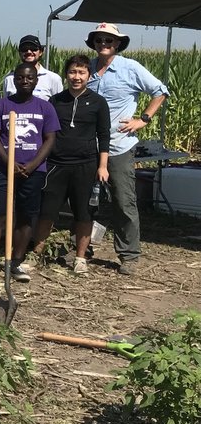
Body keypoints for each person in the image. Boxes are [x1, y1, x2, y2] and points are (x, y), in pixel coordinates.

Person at [85, 23, 168, 276]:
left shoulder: (130, 68)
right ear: (94, 43)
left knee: (123, 201)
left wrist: (143, 120)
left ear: (118, 44)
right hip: (89, 146)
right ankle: (82, 248)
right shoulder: (87, 68)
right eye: (99, 40)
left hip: (119, 146)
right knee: (85, 200)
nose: (104, 44)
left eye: (109, 40)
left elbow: (160, 91)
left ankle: (129, 255)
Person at [0, 62, 60, 284]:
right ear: (14, 80)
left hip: (33, 171)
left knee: (26, 217)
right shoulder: (1, 105)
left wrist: (32, 165)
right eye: (20, 77)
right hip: (4, 170)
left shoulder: (45, 107)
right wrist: (9, 162)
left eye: (29, 78)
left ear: (36, 81)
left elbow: (50, 139)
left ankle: (16, 263)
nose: (24, 81)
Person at [31, 54, 110, 274]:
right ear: (66, 75)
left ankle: (80, 258)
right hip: (56, 164)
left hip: (86, 164)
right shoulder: (55, 101)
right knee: (47, 212)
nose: (77, 77)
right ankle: (36, 253)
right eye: (73, 72)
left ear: (89, 75)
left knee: (84, 213)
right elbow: (44, 133)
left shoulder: (98, 102)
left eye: (82, 72)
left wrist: (103, 166)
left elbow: (104, 135)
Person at [2, 35, 63, 101]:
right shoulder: (9, 78)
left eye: (33, 49)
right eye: (24, 49)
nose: (29, 52)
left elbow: (58, 104)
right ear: (19, 53)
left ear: (41, 52)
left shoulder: (53, 79)